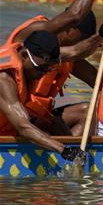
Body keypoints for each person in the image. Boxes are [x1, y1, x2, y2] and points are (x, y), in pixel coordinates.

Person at [5, 0, 103, 136]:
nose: (80, 45)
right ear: (68, 29)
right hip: (13, 117)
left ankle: (72, 151)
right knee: (53, 124)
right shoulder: (33, 34)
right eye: (80, 39)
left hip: (39, 117)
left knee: (88, 112)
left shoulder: (67, 56)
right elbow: (74, 16)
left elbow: (100, 82)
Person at [0, 30, 89, 162]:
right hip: (7, 137)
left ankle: (79, 154)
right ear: (24, 56)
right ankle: (73, 155)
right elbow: (23, 126)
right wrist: (63, 150)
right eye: (40, 69)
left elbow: (76, 52)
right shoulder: (4, 79)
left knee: (54, 123)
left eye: (48, 70)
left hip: (10, 127)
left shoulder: (23, 68)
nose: (42, 74)